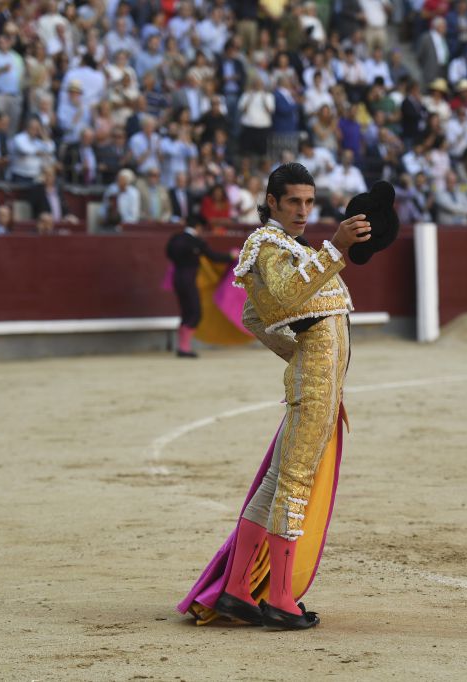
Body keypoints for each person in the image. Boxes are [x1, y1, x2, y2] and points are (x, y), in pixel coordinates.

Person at [179, 162, 372, 630]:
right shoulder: (268, 245)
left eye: (309, 201)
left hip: (318, 383)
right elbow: (283, 298)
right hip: (314, 385)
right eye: (293, 202)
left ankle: (239, 591)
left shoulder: (290, 247)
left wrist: (301, 355)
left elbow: (252, 315)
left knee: (274, 484)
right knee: (294, 485)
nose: (304, 210)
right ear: (272, 202)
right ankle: (280, 599)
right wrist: (337, 249)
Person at [164, 214, 235, 358]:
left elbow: (168, 253)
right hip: (189, 279)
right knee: (195, 312)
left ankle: (182, 346)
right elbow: (214, 257)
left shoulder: (175, 238)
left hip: (177, 277)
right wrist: (231, 256)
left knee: (186, 311)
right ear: (198, 227)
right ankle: (184, 348)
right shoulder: (196, 241)